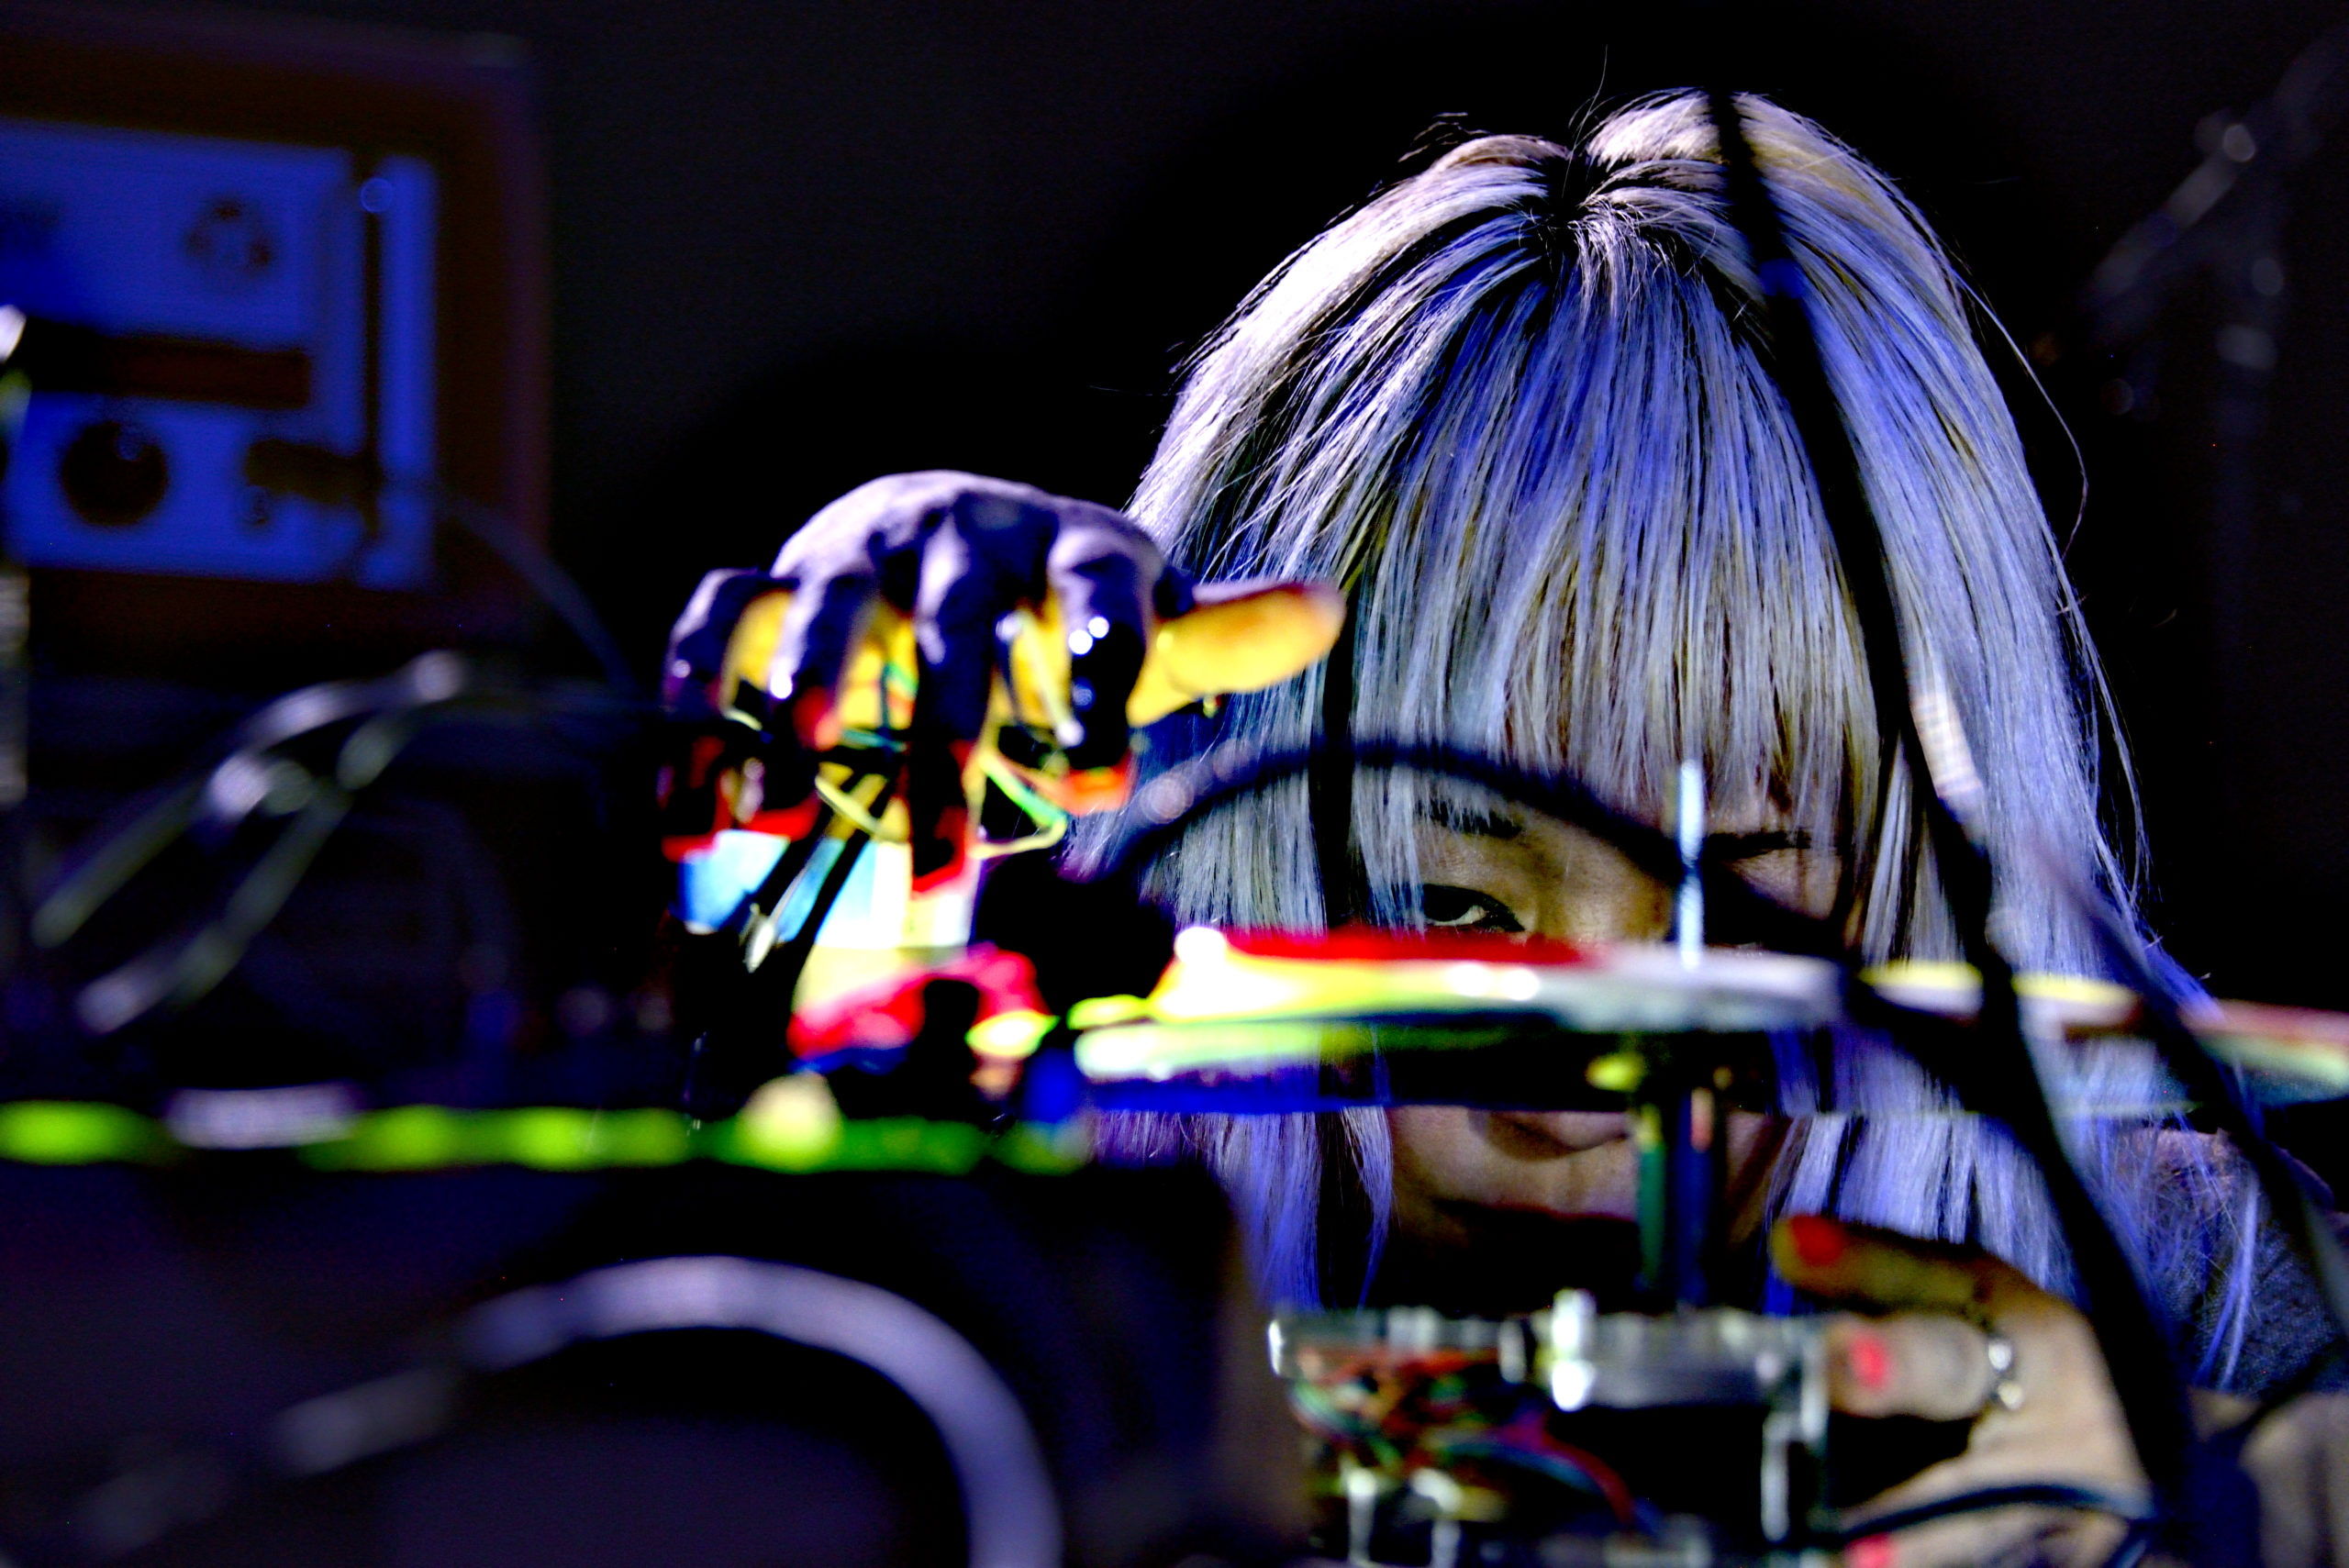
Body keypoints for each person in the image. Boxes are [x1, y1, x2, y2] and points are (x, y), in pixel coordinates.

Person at [667, 91, 2349, 1567]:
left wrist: (2210, 1493)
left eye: (1745, 912)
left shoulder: (2187, 1286)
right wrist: (831, 895)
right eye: (1455, 913)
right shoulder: (1078, 1293)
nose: (1578, 1094)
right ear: (1233, 841)